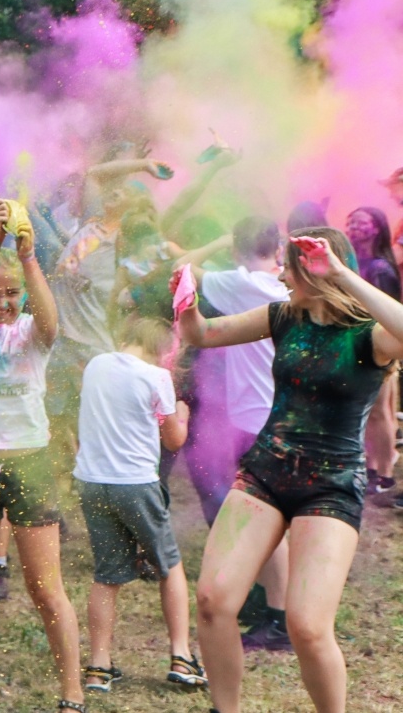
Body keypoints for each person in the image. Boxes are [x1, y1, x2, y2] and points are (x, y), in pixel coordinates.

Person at [179, 228, 403, 713]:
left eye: (288, 265)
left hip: (332, 485)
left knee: (306, 625)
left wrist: (342, 274)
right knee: (214, 601)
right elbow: (201, 335)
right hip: (265, 472)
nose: (278, 272)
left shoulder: (370, 336)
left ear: (313, 269)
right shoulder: (282, 317)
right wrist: (186, 305)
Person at [0, 201, 83, 713]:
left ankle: (71, 693)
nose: (0, 302)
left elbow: (51, 322)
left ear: (23, 296)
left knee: (47, 590)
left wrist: (27, 258)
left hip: (31, 467)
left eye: (11, 294)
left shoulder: (33, 334)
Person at [74, 315, 205, 694]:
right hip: (136, 484)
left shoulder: (97, 365)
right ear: (163, 351)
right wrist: (182, 412)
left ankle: (99, 666)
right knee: (169, 567)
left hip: (93, 482)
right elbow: (174, 440)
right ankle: (181, 656)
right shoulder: (157, 377)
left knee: (107, 575)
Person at [184, 216, 292, 650]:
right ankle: (269, 606)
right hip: (276, 415)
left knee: (262, 521)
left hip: (255, 421)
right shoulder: (282, 286)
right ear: (278, 250)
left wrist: (215, 239)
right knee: (265, 518)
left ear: (237, 248)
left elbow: (183, 267)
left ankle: (279, 620)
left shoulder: (242, 283)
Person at [346, 207, 401, 497]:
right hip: (360, 343)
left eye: (360, 223)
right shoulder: (354, 262)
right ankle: (370, 467)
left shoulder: (379, 268)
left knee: (380, 412)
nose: (353, 227)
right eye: (350, 222)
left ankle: (385, 474)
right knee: (371, 412)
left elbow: (388, 314)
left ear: (376, 228)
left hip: (377, 346)